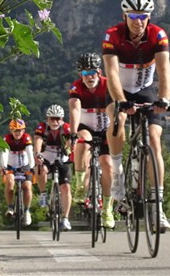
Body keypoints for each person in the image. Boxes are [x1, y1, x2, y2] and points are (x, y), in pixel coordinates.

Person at [102, 0, 170, 231]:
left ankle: (158, 208)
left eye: (143, 16)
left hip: (144, 90)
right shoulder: (113, 35)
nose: (138, 21)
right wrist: (121, 101)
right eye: (133, 15)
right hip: (118, 89)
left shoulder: (158, 35)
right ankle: (118, 171)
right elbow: (111, 73)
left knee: (154, 140)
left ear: (149, 17)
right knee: (118, 118)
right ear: (125, 15)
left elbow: (164, 72)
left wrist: (164, 98)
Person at [68, 52, 116, 229]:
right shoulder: (76, 87)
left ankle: (108, 209)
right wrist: (73, 132)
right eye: (85, 74)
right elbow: (74, 109)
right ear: (80, 75)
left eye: (93, 73)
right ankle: (81, 184)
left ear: (99, 72)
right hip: (86, 125)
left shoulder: (108, 84)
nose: (89, 77)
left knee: (108, 165)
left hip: (106, 128)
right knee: (82, 140)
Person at [32, 105, 74, 231]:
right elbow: (38, 141)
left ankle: (65, 219)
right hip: (46, 155)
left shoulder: (66, 128)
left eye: (57, 119)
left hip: (62, 157)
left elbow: (70, 143)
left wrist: (70, 149)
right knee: (41, 169)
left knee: (66, 187)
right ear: (47, 119)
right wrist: (37, 154)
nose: (55, 122)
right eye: (52, 119)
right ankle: (43, 193)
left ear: (62, 119)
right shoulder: (42, 127)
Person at [0, 118, 35, 226]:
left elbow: (29, 153)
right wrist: (4, 167)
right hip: (10, 165)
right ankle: (10, 207)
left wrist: (32, 167)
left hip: (25, 166)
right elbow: (4, 153)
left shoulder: (26, 138)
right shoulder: (6, 139)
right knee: (10, 183)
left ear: (23, 131)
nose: (17, 133)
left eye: (19, 131)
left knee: (27, 187)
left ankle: (27, 211)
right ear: (11, 131)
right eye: (15, 131)